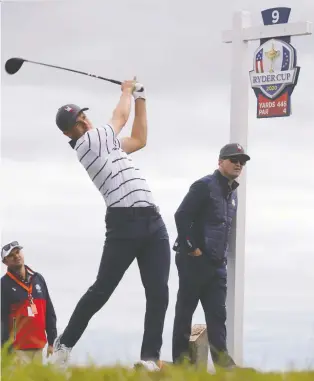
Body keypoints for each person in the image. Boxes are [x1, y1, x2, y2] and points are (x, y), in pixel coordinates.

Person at [52, 79, 170, 371]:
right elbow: (120, 117)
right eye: (79, 121)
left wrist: (141, 98)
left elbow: (140, 139)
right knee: (102, 290)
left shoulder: (108, 145)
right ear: (70, 132)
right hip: (123, 224)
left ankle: (149, 358)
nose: (85, 121)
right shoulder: (88, 144)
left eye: (84, 116)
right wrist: (127, 90)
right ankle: (63, 345)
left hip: (153, 221)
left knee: (158, 292)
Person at [171, 143, 251, 369]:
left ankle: (224, 367)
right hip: (194, 261)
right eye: (233, 159)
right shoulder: (204, 186)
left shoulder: (232, 194)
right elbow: (182, 215)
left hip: (217, 265)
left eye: (242, 161)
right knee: (185, 313)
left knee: (217, 317)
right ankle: (181, 364)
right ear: (220, 161)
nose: (238, 164)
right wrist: (192, 248)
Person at [1, 241, 57, 365]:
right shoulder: (3, 285)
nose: (16, 256)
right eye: (11, 255)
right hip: (16, 350)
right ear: (5, 262)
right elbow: (2, 319)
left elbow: (49, 311)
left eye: (18, 252)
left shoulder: (38, 279)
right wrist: (5, 350)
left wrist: (52, 341)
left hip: (39, 347)